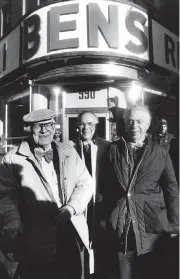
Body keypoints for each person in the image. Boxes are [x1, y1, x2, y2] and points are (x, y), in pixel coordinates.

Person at [0, 108, 92, 279]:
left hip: (70, 231)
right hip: (35, 237)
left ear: (54, 127)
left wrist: (71, 208)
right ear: (29, 129)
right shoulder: (13, 159)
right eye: (38, 126)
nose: (44, 130)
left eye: (49, 125)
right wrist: (13, 219)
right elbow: (5, 195)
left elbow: (85, 183)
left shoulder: (68, 152)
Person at [98, 105, 179, 279]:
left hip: (151, 222)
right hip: (122, 223)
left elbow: (172, 189)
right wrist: (104, 216)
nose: (134, 126)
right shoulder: (113, 150)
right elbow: (103, 186)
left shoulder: (160, 152)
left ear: (148, 124)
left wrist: (175, 224)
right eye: (130, 122)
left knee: (150, 270)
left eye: (139, 121)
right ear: (125, 124)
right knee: (124, 270)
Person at [69, 111, 110, 279]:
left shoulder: (108, 147)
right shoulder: (69, 148)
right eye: (83, 124)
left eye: (90, 124)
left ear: (96, 127)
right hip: (78, 207)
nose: (86, 128)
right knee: (78, 245)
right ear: (77, 126)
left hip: (99, 206)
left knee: (99, 246)